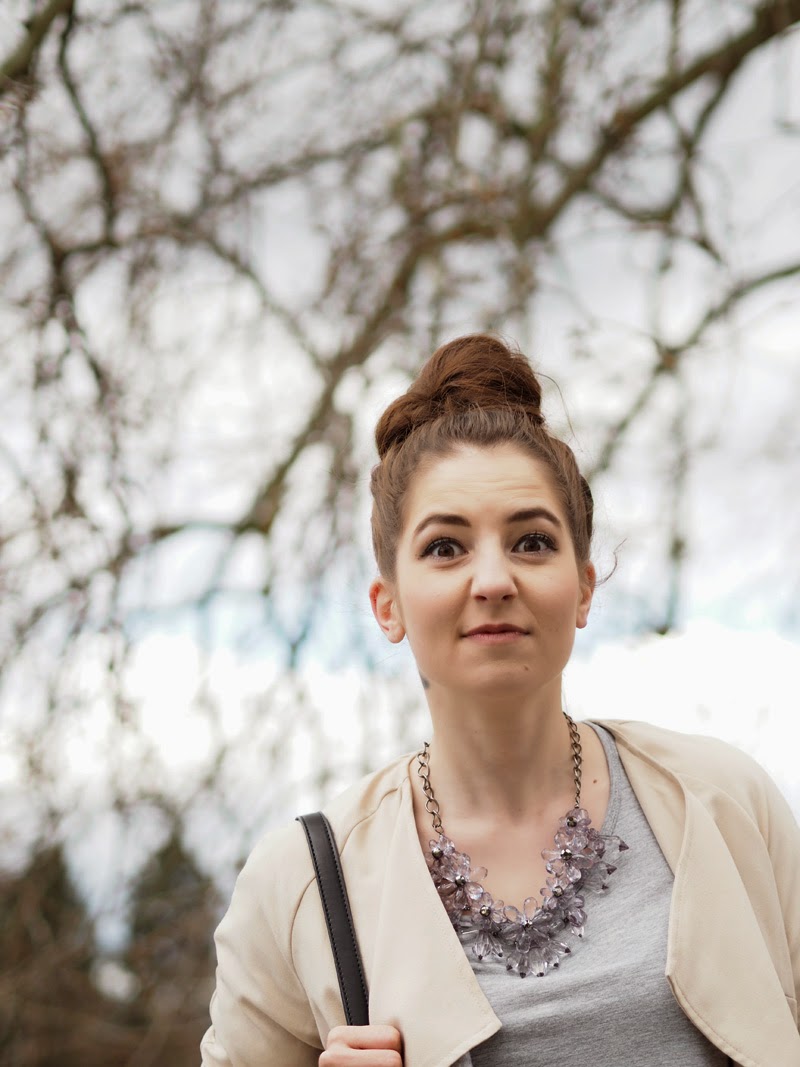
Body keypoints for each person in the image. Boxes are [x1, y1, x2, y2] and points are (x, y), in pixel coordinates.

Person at [200, 334, 800, 1067]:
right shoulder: (297, 884)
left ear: (583, 587)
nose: (492, 580)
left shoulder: (726, 806)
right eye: (445, 548)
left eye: (532, 542)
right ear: (388, 604)